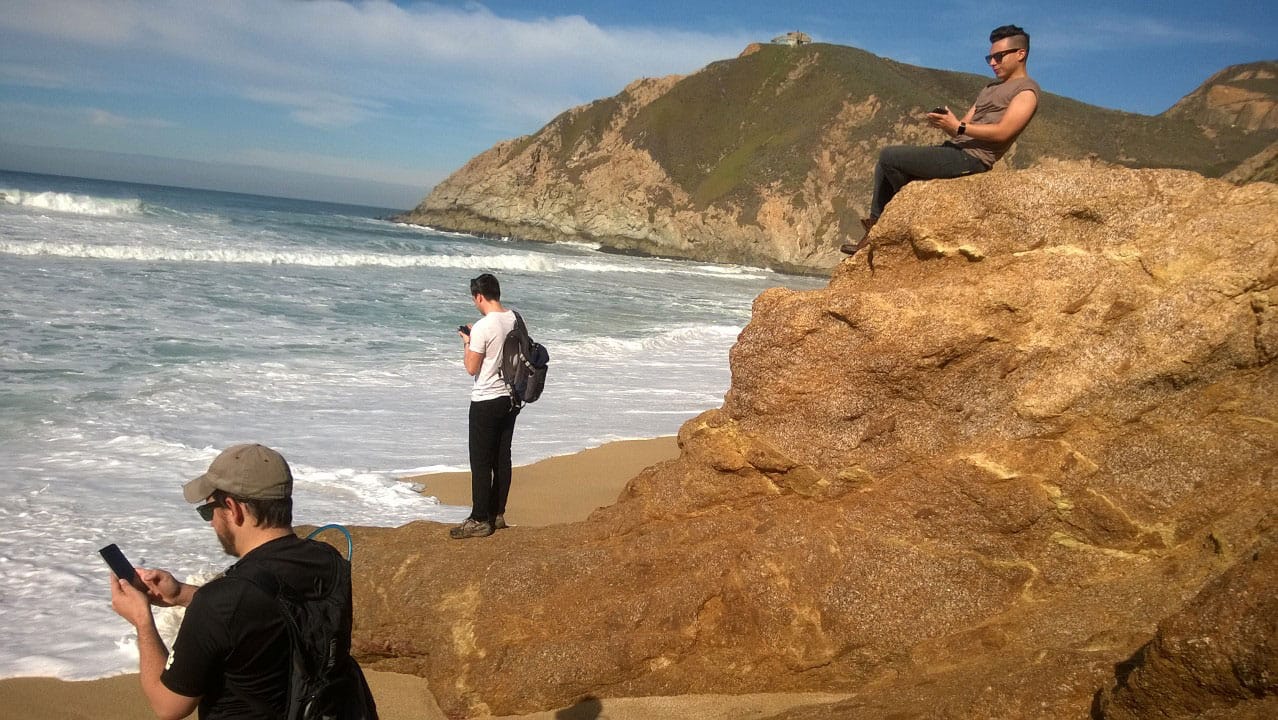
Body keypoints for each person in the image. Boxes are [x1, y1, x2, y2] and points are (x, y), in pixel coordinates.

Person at [109, 443, 358, 719]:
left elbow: (168, 706)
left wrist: (142, 621)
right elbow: (271, 610)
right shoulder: (330, 562)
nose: (212, 523)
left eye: (208, 512)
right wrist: (182, 594)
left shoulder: (221, 603)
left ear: (233, 509)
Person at [842, 24, 1040, 255]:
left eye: (998, 57)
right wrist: (947, 123)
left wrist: (960, 126)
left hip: (973, 160)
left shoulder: (1027, 91)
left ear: (1020, 54)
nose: (992, 63)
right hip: (954, 151)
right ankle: (877, 229)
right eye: (990, 57)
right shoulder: (990, 88)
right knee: (884, 165)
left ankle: (902, 211)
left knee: (889, 156)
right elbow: (961, 129)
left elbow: (1004, 131)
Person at [451, 273, 520, 539]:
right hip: (511, 397)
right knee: (502, 458)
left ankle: (480, 518)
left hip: (486, 399)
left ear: (479, 296)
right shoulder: (515, 318)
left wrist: (467, 341)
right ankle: (497, 513)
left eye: (474, 299)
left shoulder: (483, 326)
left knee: (480, 461)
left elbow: (471, 367)